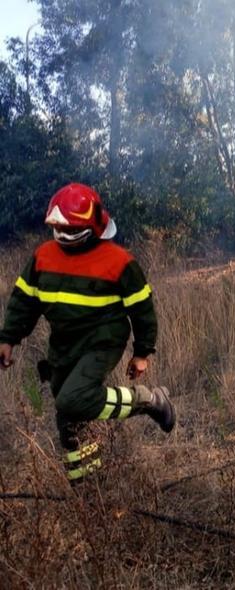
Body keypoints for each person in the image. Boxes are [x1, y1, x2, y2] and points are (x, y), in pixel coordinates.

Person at [0, 183, 175, 484]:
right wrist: (8, 338)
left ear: (92, 226)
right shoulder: (43, 256)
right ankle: (88, 487)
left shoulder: (120, 261)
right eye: (58, 228)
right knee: (69, 418)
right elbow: (23, 301)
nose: (62, 234)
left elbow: (142, 309)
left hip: (102, 342)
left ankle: (149, 400)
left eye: (69, 229)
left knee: (72, 400)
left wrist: (142, 352)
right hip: (63, 344)